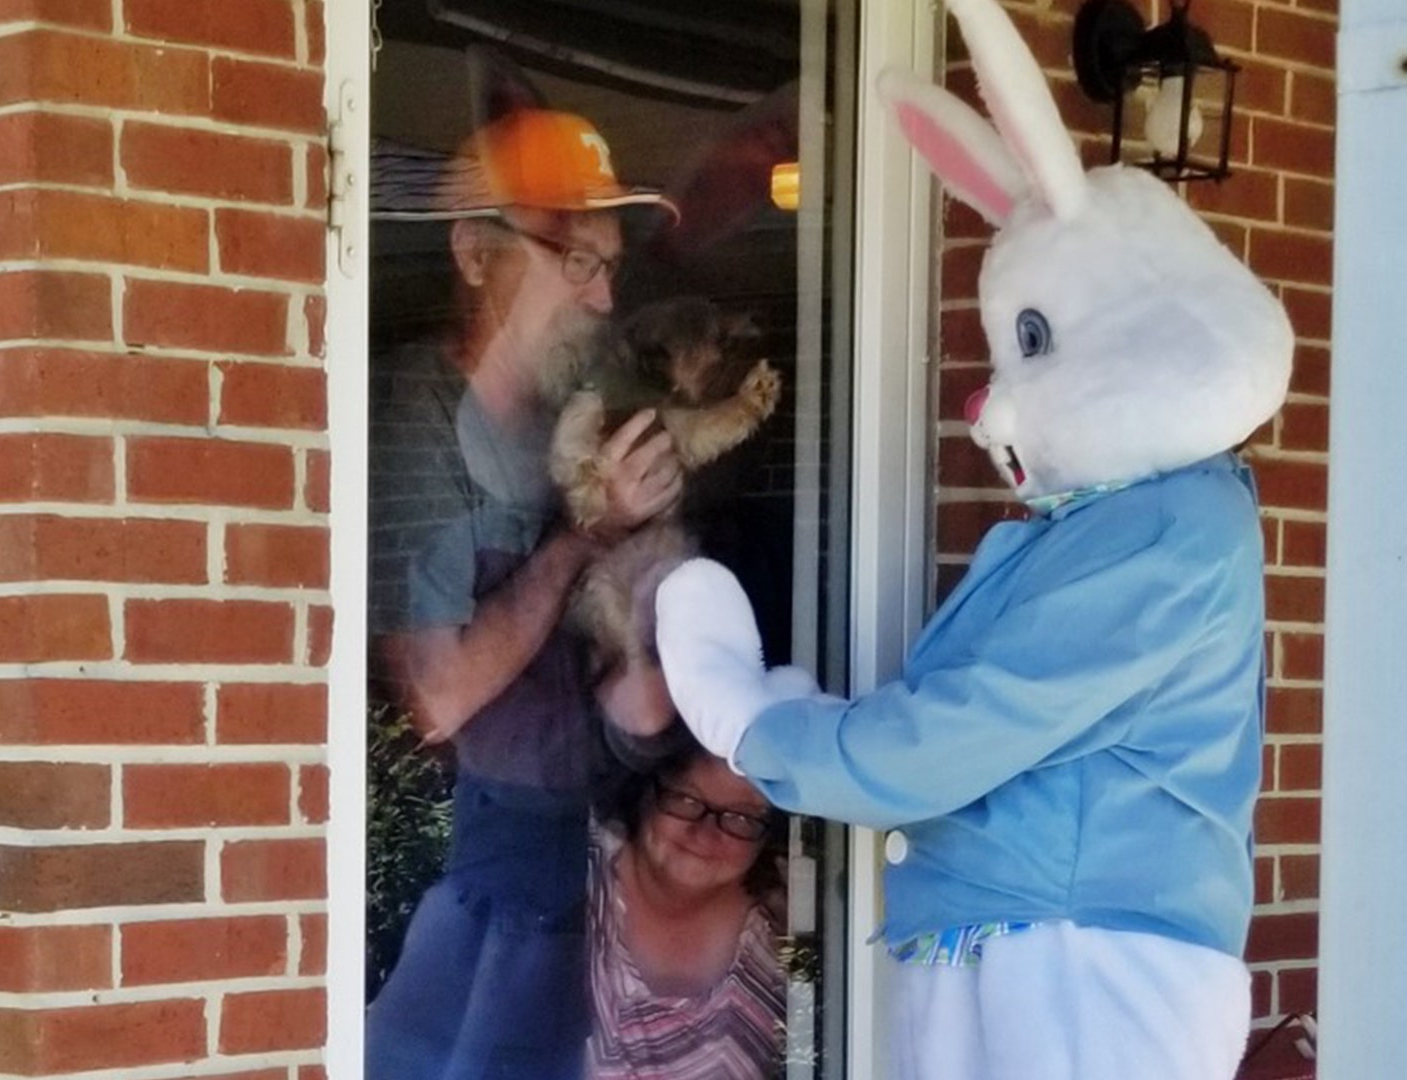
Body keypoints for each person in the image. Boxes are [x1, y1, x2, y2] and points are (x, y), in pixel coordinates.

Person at [650, 0, 1296, 1076]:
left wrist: (760, 729)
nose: (991, 407)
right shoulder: (1124, 522)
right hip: (1040, 946)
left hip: (1088, 970)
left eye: (1032, 343)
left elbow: (963, 733)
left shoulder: (1167, 527)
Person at [363, 52, 688, 1080]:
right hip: (469, 879)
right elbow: (440, 696)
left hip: (594, 879)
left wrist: (651, 659)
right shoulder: (416, 417)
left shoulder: (572, 426)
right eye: (573, 259)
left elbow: (614, 712)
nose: (601, 299)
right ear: (474, 253)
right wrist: (588, 538)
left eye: (609, 265)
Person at [587, 746, 787, 1080]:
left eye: (742, 817)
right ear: (644, 794)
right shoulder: (572, 880)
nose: (706, 833)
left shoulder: (791, 923)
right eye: (687, 800)